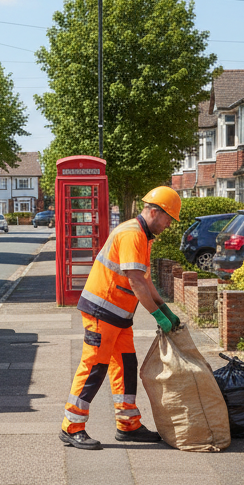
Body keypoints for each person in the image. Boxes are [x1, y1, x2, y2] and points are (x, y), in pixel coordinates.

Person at [59, 186, 183, 450]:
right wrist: (156, 315)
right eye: (168, 218)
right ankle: (72, 427)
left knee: (126, 366)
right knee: (94, 366)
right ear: (153, 211)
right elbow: (136, 281)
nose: (169, 225)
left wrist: (165, 308)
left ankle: (128, 425)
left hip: (119, 316)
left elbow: (146, 281)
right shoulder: (131, 235)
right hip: (102, 313)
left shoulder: (144, 236)